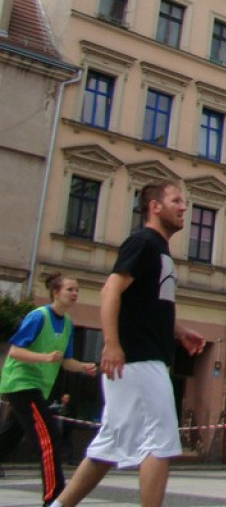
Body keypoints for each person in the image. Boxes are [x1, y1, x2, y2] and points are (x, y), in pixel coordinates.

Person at [52, 181, 205, 507]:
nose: (183, 208)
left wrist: (179, 331)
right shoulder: (143, 242)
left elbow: (145, 303)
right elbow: (110, 291)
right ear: (155, 206)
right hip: (139, 360)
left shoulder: (159, 250)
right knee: (160, 441)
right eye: (176, 200)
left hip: (142, 358)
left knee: (108, 446)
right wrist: (111, 344)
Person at [0, 272, 97, 506]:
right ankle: (54, 497)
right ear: (55, 292)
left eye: (77, 290)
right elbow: (14, 351)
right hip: (22, 383)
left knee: (13, 433)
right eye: (70, 289)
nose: (75, 294)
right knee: (49, 437)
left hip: (37, 387)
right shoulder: (38, 316)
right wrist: (44, 357)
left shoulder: (67, 324)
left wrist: (85, 367)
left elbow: (65, 361)